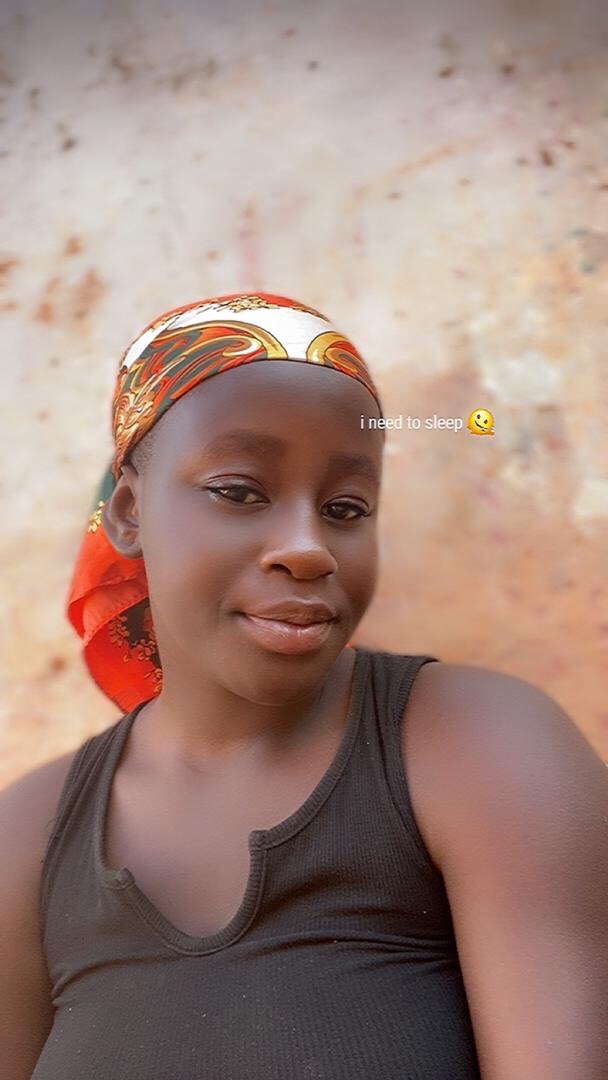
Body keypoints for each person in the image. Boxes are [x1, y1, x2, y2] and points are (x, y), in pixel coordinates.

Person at [1, 292, 606, 1080]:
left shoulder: (481, 748)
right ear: (127, 511)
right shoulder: (27, 840)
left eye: (346, 507)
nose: (308, 547)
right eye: (240, 491)